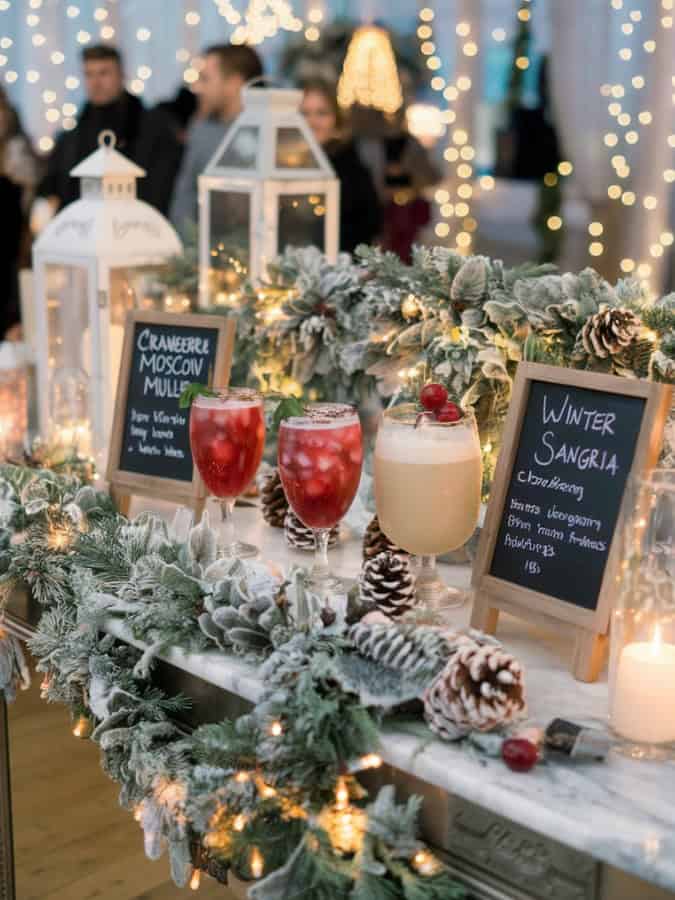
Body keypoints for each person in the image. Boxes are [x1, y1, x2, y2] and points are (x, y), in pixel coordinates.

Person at [37, 45, 181, 215]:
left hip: (135, 225)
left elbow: (162, 187)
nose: (96, 83)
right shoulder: (73, 134)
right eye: (89, 74)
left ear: (121, 75)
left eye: (104, 73)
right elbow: (53, 185)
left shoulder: (152, 128)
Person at [170, 44, 263, 234]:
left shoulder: (266, 131)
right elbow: (186, 193)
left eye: (206, 79)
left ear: (234, 83)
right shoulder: (201, 129)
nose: (198, 88)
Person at [301, 80, 382, 253]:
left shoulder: (352, 168)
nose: (312, 121)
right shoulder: (284, 162)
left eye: (321, 113)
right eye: (304, 113)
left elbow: (370, 225)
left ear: (336, 120)